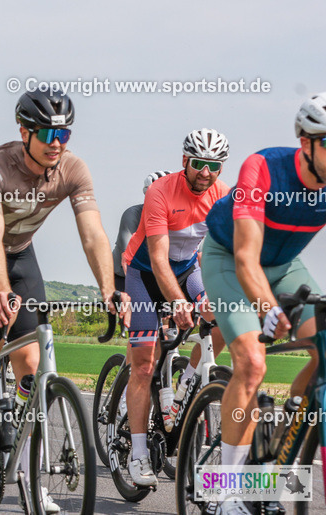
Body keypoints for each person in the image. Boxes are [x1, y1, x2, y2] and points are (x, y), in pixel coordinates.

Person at [0, 89, 118, 512]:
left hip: (21, 254)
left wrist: (108, 288)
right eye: (47, 134)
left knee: (32, 365)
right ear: (24, 132)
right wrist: (0, 291)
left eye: (65, 133)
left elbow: (92, 234)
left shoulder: (73, 169)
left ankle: (28, 475)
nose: (57, 143)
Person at [202, 94, 326, 515]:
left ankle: (280, 451)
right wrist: (268, 309)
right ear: (306, 143)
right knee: (253, 363)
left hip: (285, 265)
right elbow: (245, 258)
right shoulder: (264, 167)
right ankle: (225, 491)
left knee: (325, 350)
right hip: (229, 257)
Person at [120, 129, 230, 486]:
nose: (205, 172)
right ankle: (137, 454)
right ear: (185, 161)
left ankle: (187, 384)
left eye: (214, 166)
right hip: (145, 275)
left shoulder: (223, 195)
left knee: (223, 318)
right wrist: (178, 301)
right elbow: (157, 257)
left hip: (187, 270)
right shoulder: (160, 191)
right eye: (198, 164)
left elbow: (224, 252)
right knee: (144, 364)